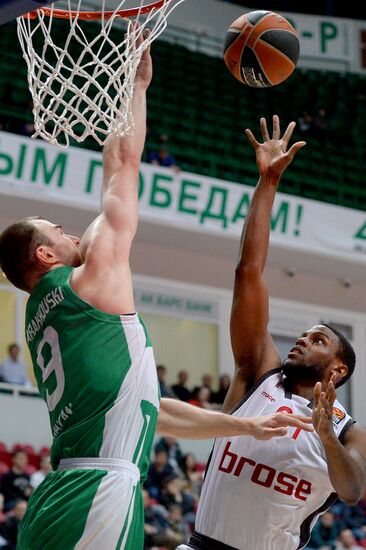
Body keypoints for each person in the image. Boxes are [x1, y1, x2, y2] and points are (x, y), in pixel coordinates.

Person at [0, 31, 312, 549]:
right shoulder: (91, 276)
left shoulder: (40, 318)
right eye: (56, 229)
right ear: (45, 256)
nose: (71, 232)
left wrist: (244, 428)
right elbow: (121, 166)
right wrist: (135, 85)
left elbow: (152, 410)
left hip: (62, 493)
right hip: (97, 492)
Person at [180, 116, 366, 550]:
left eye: (318, 340)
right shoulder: (258, 374)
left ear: (338, 370)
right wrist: (267, 183)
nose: (301, 339)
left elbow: (353, 489)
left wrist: (324, 436)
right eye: (304, 334)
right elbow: (249, 273)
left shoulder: (348, 431)